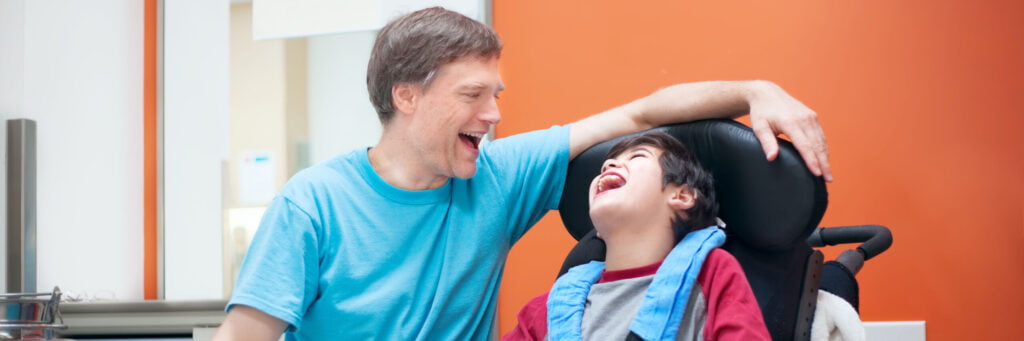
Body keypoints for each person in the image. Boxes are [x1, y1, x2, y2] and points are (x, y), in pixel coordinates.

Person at [213, 7, 831, 341]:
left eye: (497, 94)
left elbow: (642, 113)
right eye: (473, 95)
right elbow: (243, 336)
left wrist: (756, 90)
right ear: (407, 97)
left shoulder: (498, 176)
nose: (495, 115)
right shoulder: (314, 204)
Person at [502, 132, 769, 340]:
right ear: (597, 228)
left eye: (637, 156)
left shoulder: (710, 274)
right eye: (606, 165)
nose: (608, 164)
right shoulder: (550, 308)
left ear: (682, 196)